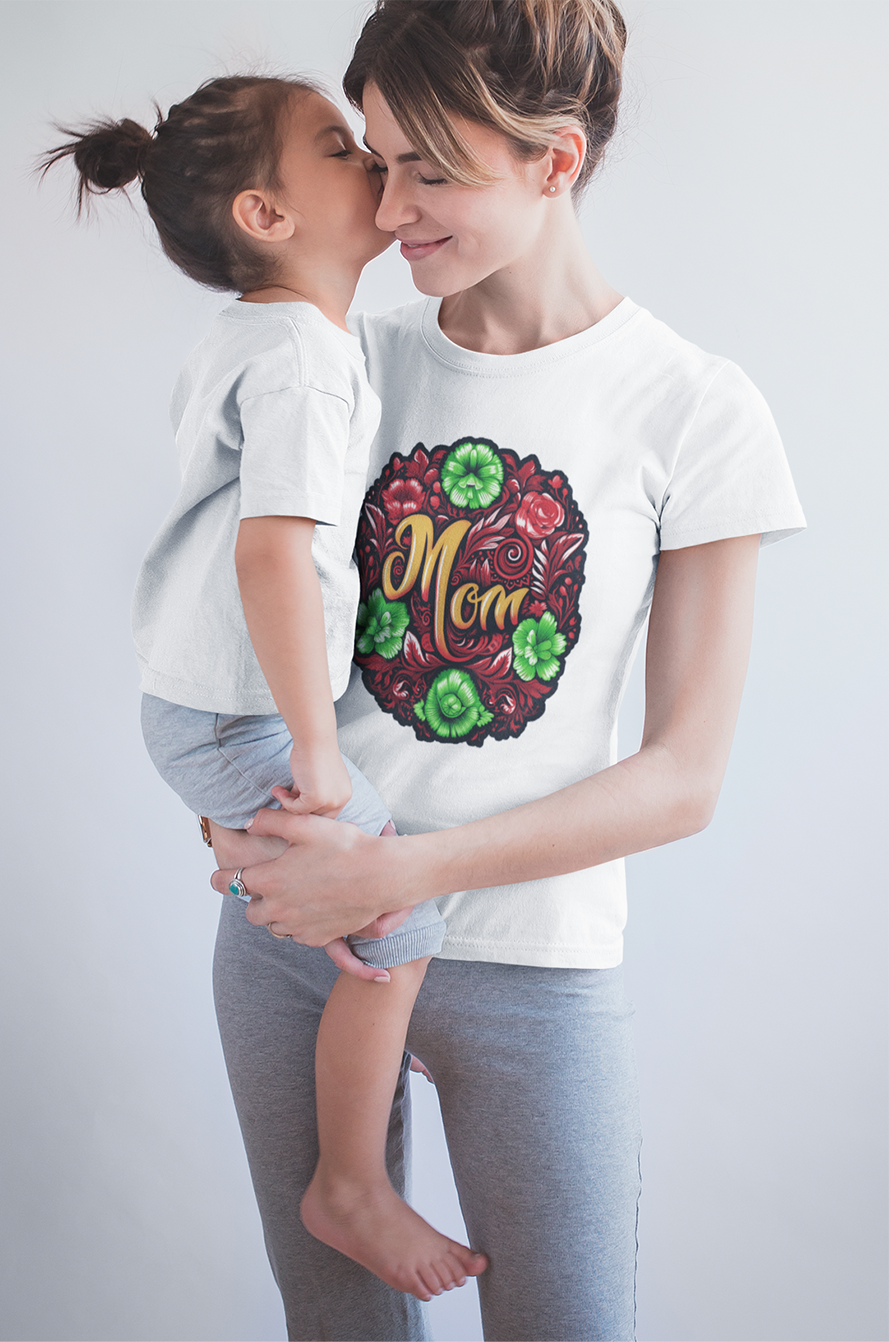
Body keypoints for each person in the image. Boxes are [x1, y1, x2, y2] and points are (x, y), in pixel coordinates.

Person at [207, 2, 807, 1339]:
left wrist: (399, 872)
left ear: (556, 158)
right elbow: (218, 637)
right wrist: (232, 824)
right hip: (298, 950)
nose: (388, 207)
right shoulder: (341, 371)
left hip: (533, 966)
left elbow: (682, 777)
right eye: (373, 160)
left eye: (432, 168)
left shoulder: (691, 407)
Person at [38, 73, 489, 1303]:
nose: (374, 170)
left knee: (351, 906)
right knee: (396, 924)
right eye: (341, 150)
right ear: (266, 215)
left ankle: (357, 1140)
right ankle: (348, 1180)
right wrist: (316, 746)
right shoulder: (301, 355)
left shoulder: (258, 338)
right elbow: (271, 551)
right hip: (236, 714)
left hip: (191, 706)